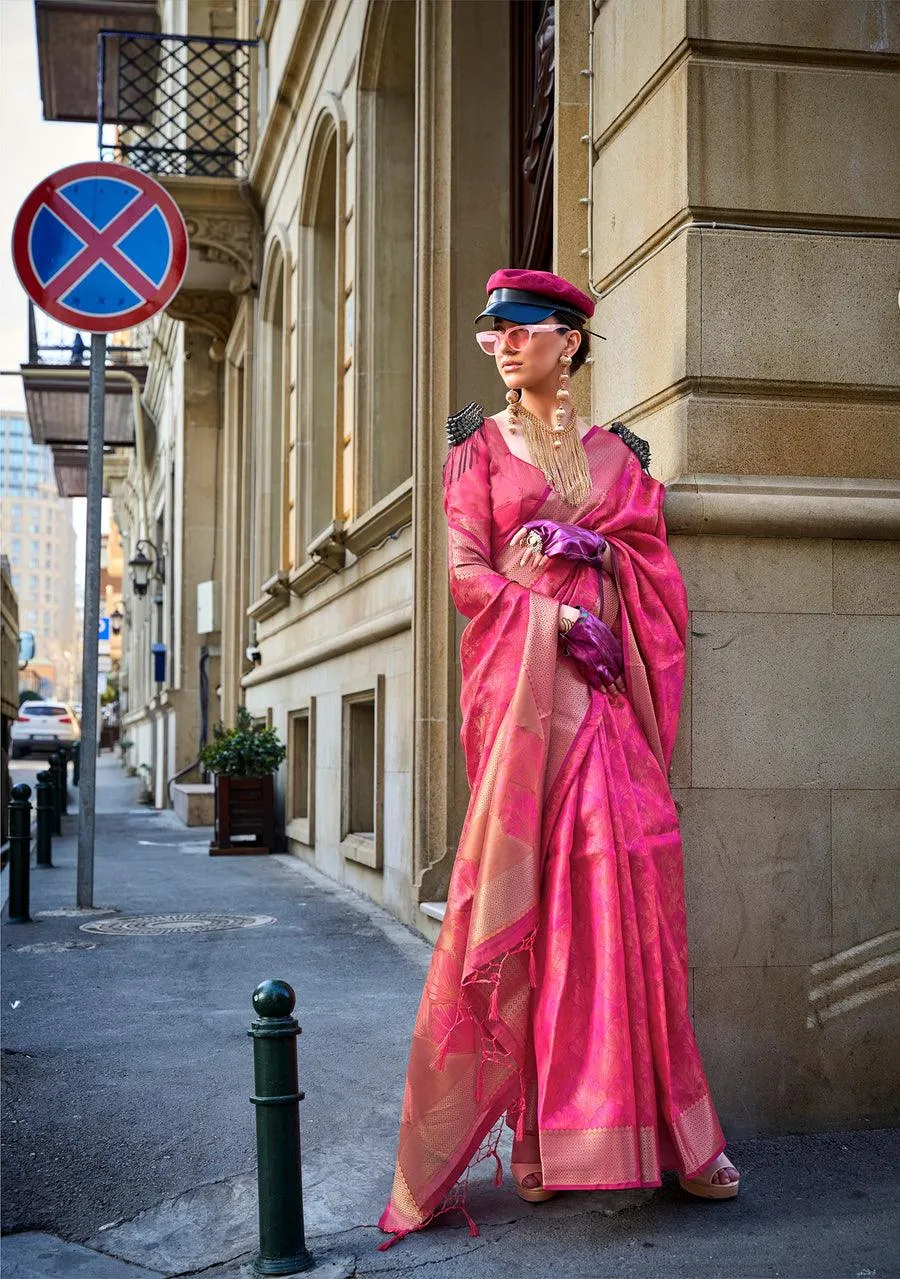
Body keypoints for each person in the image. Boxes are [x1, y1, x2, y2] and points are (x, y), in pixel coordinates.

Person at [379, 269, 739, 1249]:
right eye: (489, 329)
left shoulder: (615, 458)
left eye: (517, 328)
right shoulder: (474, 456)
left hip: (608, 712)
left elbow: (652, 559)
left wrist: (601, 558)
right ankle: (538, 1139)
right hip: (530, 714)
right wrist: (554, 617)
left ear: (568, 342)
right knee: (533, 914)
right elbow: (464, 575)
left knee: (634, 894)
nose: (497, 343)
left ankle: (679, 1134)